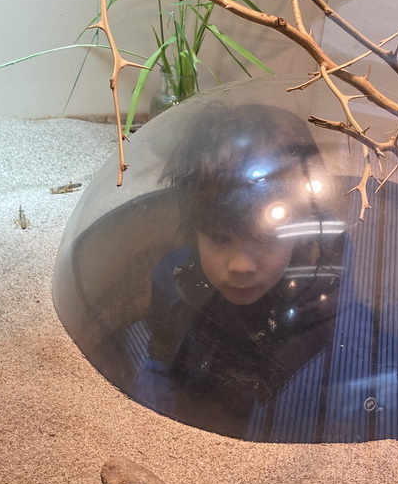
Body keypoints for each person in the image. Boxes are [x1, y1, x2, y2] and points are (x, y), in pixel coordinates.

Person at [141, 101, 348, 436]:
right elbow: (159, 360)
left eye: (266, 240)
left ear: (298, 232)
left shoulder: (324, 299)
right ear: (195, 229)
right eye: (221, 239)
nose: (241, 266)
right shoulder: (174, 282)